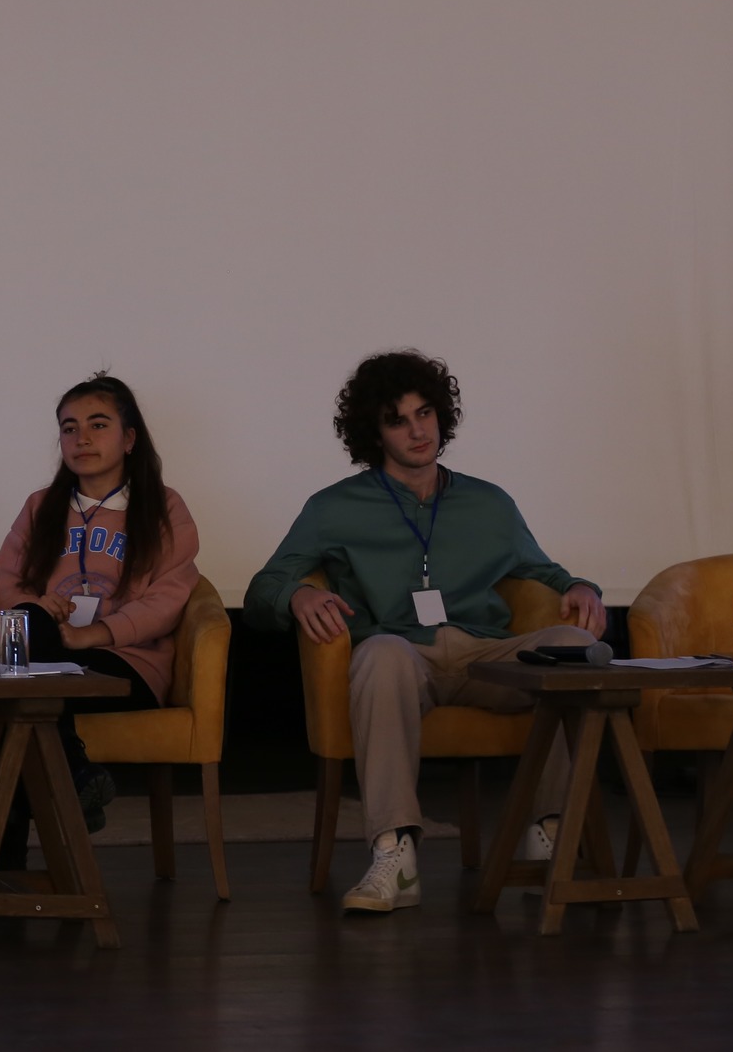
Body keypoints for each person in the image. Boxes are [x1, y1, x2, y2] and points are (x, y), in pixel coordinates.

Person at [244, 349, 605, 915]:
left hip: (487, 657)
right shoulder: (334, 508)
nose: (417, 431)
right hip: (403, 655)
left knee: (578, 648)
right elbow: (261, 591)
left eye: (425, 413)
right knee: (381, 652)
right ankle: (396, 855)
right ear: (374, 433)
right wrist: (298, 593)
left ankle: (551, 836)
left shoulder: (489, 502)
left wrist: (582, 587)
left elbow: (546, 572)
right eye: (398, 420)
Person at [0, 373, 200, 856]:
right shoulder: (40, 506)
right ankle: (76, 773)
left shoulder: (164, 507)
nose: (81, 438)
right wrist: (35, 607)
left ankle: (5, 866)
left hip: (126, 665)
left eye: (98, 425)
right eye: (69, 428)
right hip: (46, 654)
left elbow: (168, 599)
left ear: (129, 439)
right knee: (27, 660)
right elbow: (7, 578)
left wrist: (94, 635)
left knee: (13, 701)